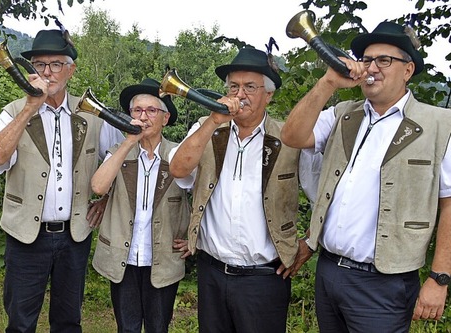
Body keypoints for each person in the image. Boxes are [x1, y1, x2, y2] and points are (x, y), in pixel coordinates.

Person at [280, 21, 451, 332]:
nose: (372, 67)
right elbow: (292, 136)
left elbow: (449, 205)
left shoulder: (441, 124)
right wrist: (328, 83)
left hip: (384, 285)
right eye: (367, 60)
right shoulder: (343, 114)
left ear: (408, 70)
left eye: (384, 60)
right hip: (330, 272)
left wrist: (439, 278)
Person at [169, 47, 318, 333]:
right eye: (233, 87)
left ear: (269, 94)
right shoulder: (207, 128)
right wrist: (213, 120)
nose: (240, 94)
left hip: (265, 278)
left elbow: (321, 195)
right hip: (212, 273)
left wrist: (309, 243)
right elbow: (178, 169)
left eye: (250, 87)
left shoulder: (288, 137)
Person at [0, 29, 124, 332]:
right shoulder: (13, 111)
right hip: (26, 236)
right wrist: (29, 107)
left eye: (56, 64)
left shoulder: (91, 113)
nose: (47, 72)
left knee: (68, 320)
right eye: (39, 64)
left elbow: (122, 160)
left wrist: (106, 198)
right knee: (20, 321)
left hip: (74, 235)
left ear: (70, 70)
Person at [90, 78, 191, 333]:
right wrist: (128, 142)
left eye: (151, 111)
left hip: (163, 259)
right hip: (124, 259)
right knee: (127, 328)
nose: (143, 117)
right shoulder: (119, 152)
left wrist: (195, 236)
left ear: (165, 119)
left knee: (158, 328)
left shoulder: (177, 156)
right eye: (137, 111)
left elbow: (204, 197)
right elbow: (99, 187)